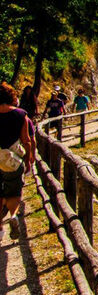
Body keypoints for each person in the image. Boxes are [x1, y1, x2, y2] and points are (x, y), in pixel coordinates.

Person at [0, 82, 35, 241]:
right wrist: (28, 159)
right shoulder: (21, 114)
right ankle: (13, 215)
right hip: (11, 160)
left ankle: (0, 225)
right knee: (14, 192)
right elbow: (27, 141)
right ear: (11, 97)